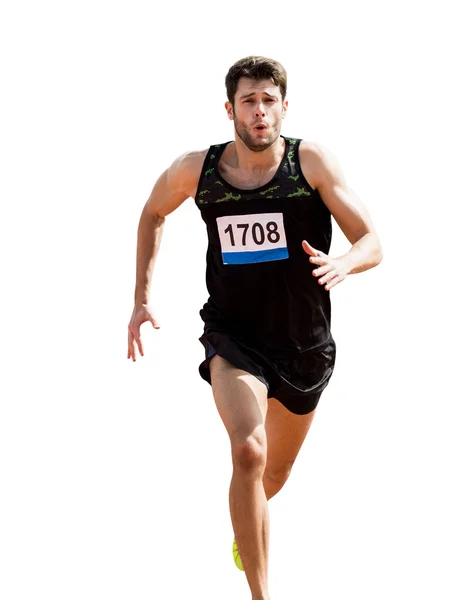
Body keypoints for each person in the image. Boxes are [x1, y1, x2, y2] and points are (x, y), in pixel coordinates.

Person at [127, 56, 382, 600]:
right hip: (233, 337)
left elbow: (371, 241)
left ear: (284, 108)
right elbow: (152, 213)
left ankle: (249, 527)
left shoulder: (308, 162)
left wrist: (345, 263)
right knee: (248, 451)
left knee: (270, 478)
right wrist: (140, 298)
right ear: (230, 110)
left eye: (269, 100)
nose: (260, 111)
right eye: (249, 101)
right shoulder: (198, 172)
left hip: (304, 346)